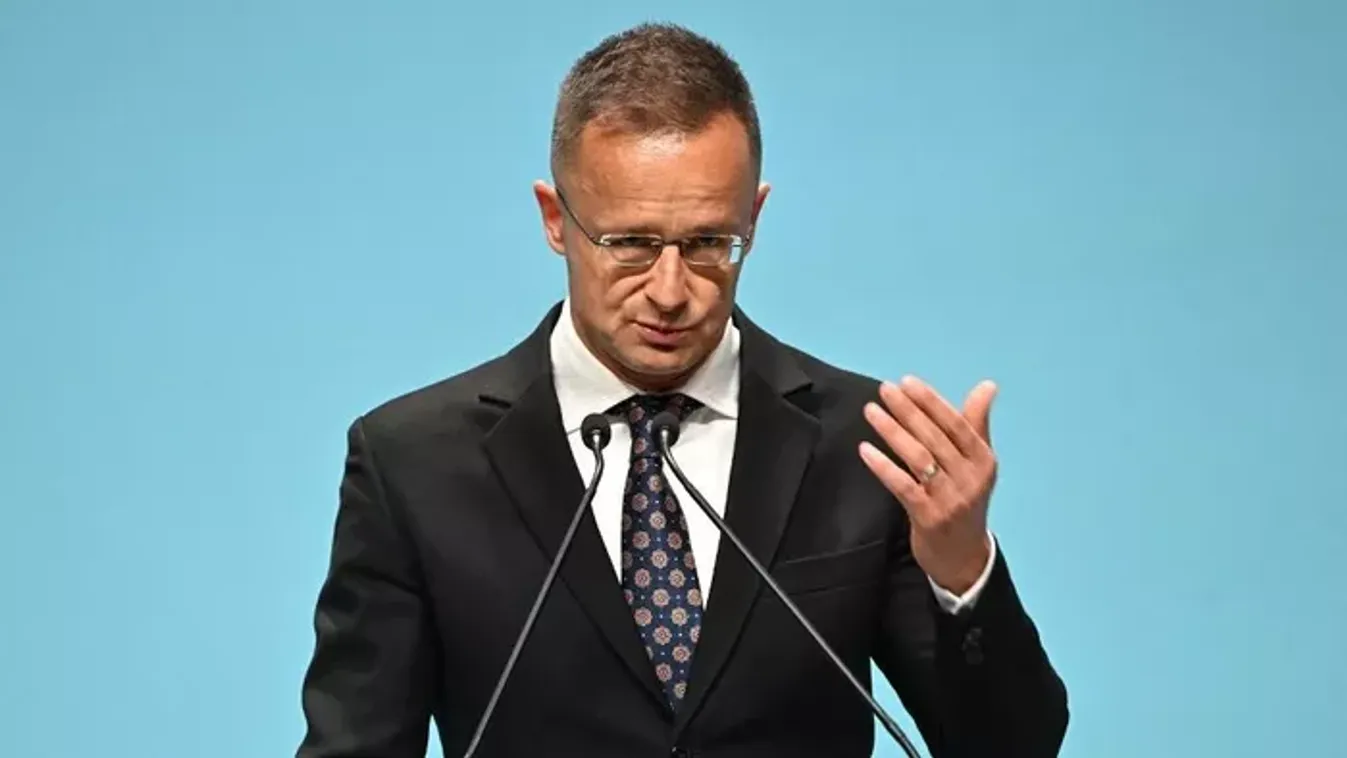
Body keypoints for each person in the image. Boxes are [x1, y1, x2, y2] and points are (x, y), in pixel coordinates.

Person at [296, 22, 1068, 758]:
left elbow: (1009, 747)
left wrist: (960, 572)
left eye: (707, 243)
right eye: (630, 243)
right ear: (555, 219)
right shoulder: (414, 465)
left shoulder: (863, 448)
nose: (670, 291)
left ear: (753, 218)